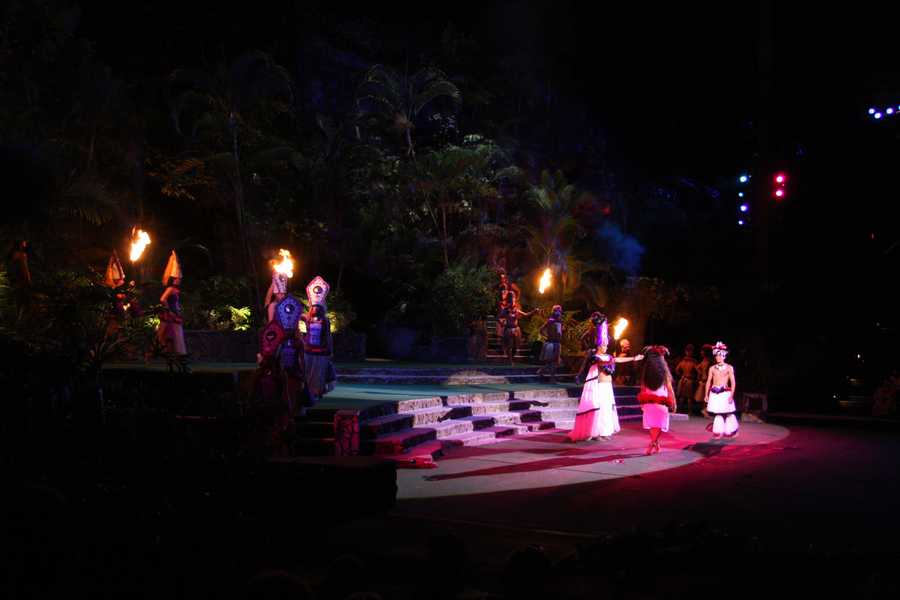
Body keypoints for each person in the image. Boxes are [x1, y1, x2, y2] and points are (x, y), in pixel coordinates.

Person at [569, 318, 643, 442]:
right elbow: (601, 362)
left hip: (607, 386)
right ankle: (596, 432)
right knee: (599, 408)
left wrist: (634, 358)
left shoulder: (608, 356)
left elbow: (617, 360)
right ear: (599, 346)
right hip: (599, 385)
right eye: (604, 345)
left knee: (606, 408)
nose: (605, 347)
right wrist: (610, 360)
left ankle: (604, 431)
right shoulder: (595, 357)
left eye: (606, 345)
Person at [637, 345, 677, 455]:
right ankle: (653, 443)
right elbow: (670, 389)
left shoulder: (646, 373)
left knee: (652, 424)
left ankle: (654, 443)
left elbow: (643, 388)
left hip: (649, 401)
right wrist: (674, 402)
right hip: (661, 402)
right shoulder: (664, 373)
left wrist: (642, 402)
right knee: (658, 424)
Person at [157, 251, 188, 361]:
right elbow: (162, 299)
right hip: (169, 314)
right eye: (177, 279)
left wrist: (178, 309)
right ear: (173, 279)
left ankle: (179, 352)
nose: (179, 280)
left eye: (179, 279)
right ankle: (175, 352)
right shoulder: (170, 288)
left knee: (173, 332)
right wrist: (168, 309)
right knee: (163, 334)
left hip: (174, 313)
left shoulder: (175, 290)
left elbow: (175, 302)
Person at [704, 341, 738, 439]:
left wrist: (731, 395)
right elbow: (708, 381)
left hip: (725, 392)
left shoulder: (729, 368)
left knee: (728, 412)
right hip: (715, 392)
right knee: (718, 413)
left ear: (724, 356)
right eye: (716, 356)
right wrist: (706, 394)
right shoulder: (712, 368)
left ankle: (733, 430)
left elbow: (733, 382)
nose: (717, 357)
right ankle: (718, 432)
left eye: (719, 355)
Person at [498, 290, 535, 365]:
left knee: (515, 346)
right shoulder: (505, 310)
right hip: (508, 329)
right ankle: (510, 361)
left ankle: (511, 358)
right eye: (511, 299)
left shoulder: (516, 310)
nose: (513, 301)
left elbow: (526, 314)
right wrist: (502, 323)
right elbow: (498, 317)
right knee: (510, 345)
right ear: (509, 301)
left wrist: (534, 311)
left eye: (513, 299)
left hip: (516, 330)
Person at [6, 240, 32, 322]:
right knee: (25, 299)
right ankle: (22, 320)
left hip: (15, 280)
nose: (25, 243)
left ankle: (17, 318)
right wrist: (28, 279)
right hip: (22, 279)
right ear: (20, 244)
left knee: (18, 299)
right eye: (24, 242)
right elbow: (25, 268)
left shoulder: (12, 254)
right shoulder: (22, 255)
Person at [537, 305, 563, 382]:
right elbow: (559, 334)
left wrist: (546, 336)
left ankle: (541, 371)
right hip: (554, 344)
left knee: (551, 362)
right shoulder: (558, 322)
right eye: (559, 311)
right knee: (554, 362)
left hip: (548, 343)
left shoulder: (549, 321)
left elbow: (541, 330)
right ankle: (552, 378)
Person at [675, 344, 698, 414]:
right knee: (688, 397)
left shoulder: (683, 361)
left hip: (682, 380)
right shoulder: (693, 362)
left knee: (682, 397)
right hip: (689, 380)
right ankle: (689, 411)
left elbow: (676, 370)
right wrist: (696, 377)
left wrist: (681, 375)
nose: (689, 352)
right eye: (690, 351)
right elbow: (699, 371)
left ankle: (679, 411)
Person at [693, 344, 713, 417]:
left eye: (702, 351)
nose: (701, 352)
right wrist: (700, 373)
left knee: (707, 396)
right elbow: (697, 367)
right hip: (704, 380)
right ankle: (704, 411)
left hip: (707, 380)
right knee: (705, 396)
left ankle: (705, 410)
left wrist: (701, 373)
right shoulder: (705, 360)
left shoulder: (709, 361)